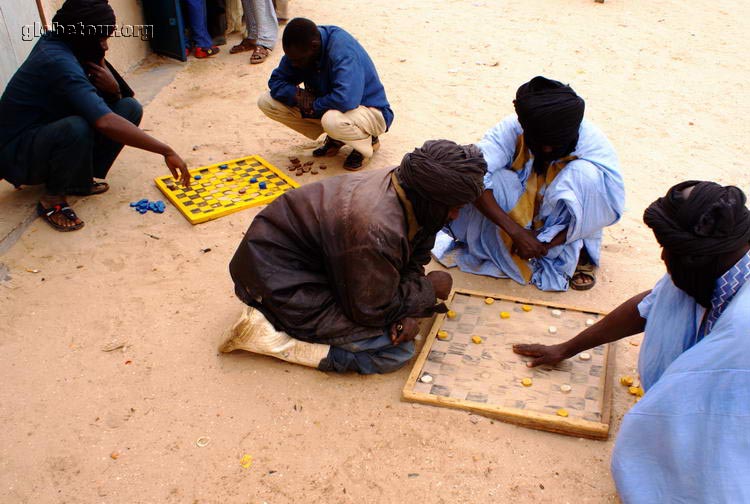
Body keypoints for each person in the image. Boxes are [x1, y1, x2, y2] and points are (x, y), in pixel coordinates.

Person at [513, 181, 750, 502]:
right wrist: (566, 348)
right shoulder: (712, 265)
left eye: (671, 250)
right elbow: (650, 306)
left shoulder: (741, 330)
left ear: (698, 256)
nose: (664, 256)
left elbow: (701, 402)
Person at [221, 140, 487, 374]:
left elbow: (410, 259)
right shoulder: (376, 228)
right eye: (454, 208)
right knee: (395, 352)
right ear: (433, 200)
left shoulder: (411, 188)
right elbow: (369, 310)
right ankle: (273, 337)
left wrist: (408, 307)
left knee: (398, 320)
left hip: (321, 264)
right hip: (278, 280)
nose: (455, 216)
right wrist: (426, 291)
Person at [0, 0, 190, 231]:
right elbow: (105, 121)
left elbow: (117, 104)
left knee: (129, 108)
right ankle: (53, 199)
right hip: (16, 157)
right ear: (84, 33)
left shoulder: (74, 44)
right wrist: (165, 150)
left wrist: (114, 89)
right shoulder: (58, 60)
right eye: (102, 39)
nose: (106, 47)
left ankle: (78, 182)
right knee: (77, 126)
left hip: (43, 136)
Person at [432, 76, 625, 291]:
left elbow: (605, 210)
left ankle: (575, 253)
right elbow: (472, 174)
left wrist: (546, 244)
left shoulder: (594, 147)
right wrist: (515, 232)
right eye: (541, 143)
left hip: (560, 226)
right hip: (517, 216)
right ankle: (503, 246)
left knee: (585, 177)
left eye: (554, 144)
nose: (547, 151)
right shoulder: (511, 129)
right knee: (487, 177)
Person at [257, 18, 393, 171]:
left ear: (314, 47)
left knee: (332, 120)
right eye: (290, 59)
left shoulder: (342, 51)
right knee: (267, 101)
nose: (293, 64)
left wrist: (314, 105)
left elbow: (346, 100)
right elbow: (276, 80)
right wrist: (297, 95)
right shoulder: (302, 48)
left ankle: (368, 141)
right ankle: (337, 138)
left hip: (370, 112)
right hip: (331, 107)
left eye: (298, 60)